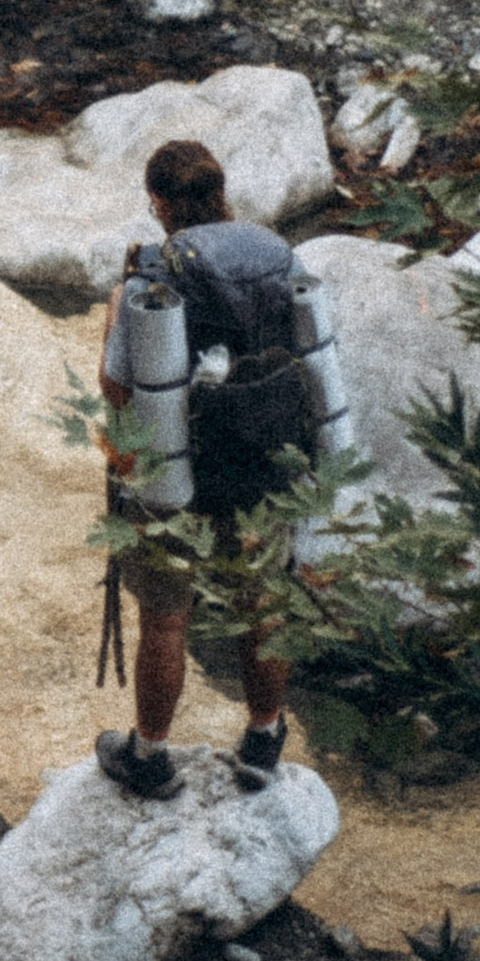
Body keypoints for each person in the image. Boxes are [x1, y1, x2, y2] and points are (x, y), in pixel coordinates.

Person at [93, 141, 304, 801]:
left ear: (158, 203)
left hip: (172, 472)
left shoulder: (148, 278)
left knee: (165, 617)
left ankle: (149, 757)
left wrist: (113, 313)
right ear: (220, 191)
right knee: (261, 600)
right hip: (261, 460)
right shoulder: (274, 255)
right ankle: (264, 740)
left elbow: (117, 389)